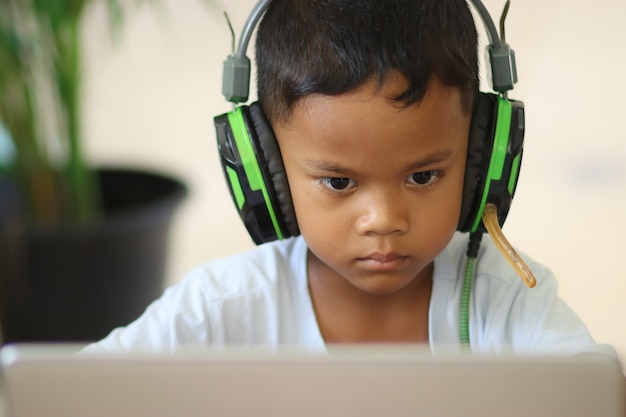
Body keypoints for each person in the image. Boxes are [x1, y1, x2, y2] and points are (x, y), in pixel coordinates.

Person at [84, 0, 615, 357]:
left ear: (482, 160)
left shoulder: (511, 306)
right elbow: (70, 396)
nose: (383, 220)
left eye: (424, 174)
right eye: (339, 183)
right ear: (265, 170)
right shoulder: (218, 310)